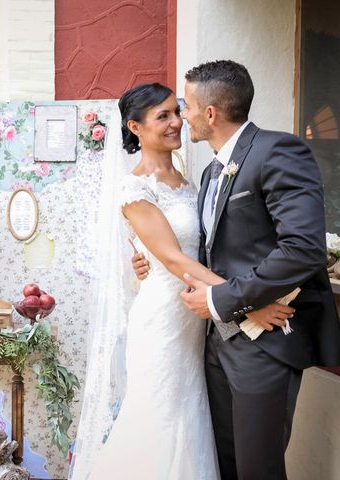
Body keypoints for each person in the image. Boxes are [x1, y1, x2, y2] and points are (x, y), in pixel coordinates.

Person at [132, 60, 340, 480]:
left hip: (266, 341)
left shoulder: (278, 150)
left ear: (210, 113)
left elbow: (303, 249)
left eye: (185, 106)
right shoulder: (210, 171)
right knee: (223, 464)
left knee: (257, 469)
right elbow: (212, 250)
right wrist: (148, 260)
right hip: (214, 341)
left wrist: (229, 301)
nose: (181, 117)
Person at [72, 82, 230, 479]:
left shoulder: (191, 181)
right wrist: (244, 302)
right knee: (158, 417)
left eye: (176, 111)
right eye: (163, 116)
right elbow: (175, 259)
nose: (177, 122)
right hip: (162, 321)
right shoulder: (135, 188)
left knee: (189, 416)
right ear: (135, 127)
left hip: (195, 318)